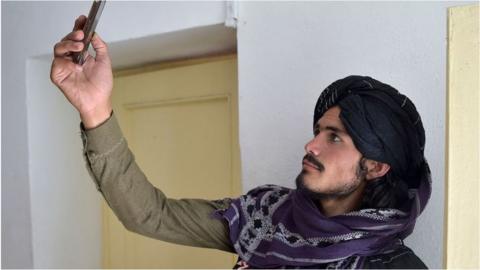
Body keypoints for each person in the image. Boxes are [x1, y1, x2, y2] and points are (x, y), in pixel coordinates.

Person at [51, 16, 431, 269]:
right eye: (318, 130)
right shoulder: (265, 218)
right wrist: (95, 109)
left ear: (377, 166)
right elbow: (151, 215)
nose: (310, 146)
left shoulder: (395, 265)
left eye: (334, 137)